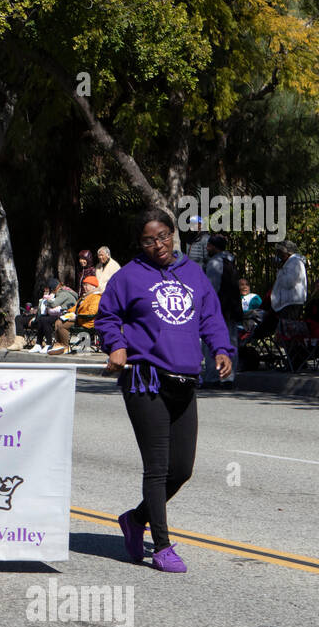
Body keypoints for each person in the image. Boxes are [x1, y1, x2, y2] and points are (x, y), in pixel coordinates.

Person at [97, 208, 233, 574]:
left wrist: (222, 349)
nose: (157, 245)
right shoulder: (128, 277)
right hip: (146, 379)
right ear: (139, 244)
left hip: (185, 380)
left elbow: (211, 316)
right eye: (148, 240)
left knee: (182, 468)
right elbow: (107, 316)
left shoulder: (193, 273)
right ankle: (160, 545)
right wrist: (116, 344)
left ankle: (134, 518)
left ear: (173, 234)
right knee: (157, 468)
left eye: (163, 236)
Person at [203, 234, 242, 388]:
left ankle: (213, 377)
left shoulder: (214, 263)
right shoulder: (230, 261)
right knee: (231, 342)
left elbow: (211, 289)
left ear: (214, 246)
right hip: (231, 309)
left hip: (219, 309)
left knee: (212, 342)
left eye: (209, 245)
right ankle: (228, 377)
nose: (207, 248)